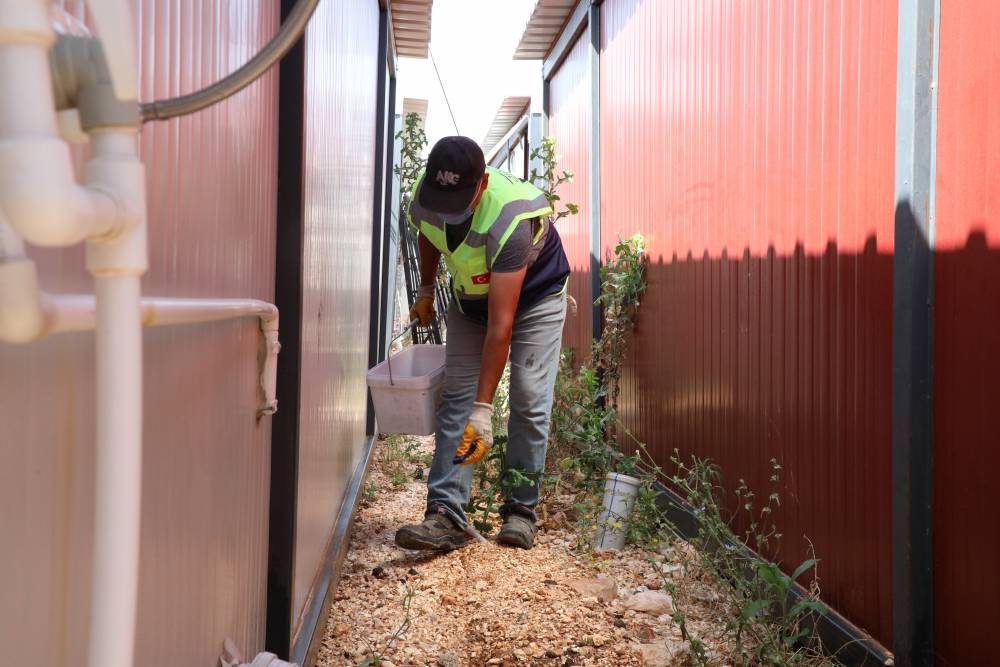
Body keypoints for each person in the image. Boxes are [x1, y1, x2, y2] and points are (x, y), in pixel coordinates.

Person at [394, 136, 570, 551]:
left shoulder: (510, 219)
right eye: (441, 200)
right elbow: (430, 233)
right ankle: (446, 514)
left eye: (457, 201)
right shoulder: (425, 197)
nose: (447, 210)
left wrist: (485, 408)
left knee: (529, 399)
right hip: (470, 299)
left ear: (483, 184)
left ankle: (520, 511)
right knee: (457, 398)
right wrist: (425, 289)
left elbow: (500, 327)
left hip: (535, 299)